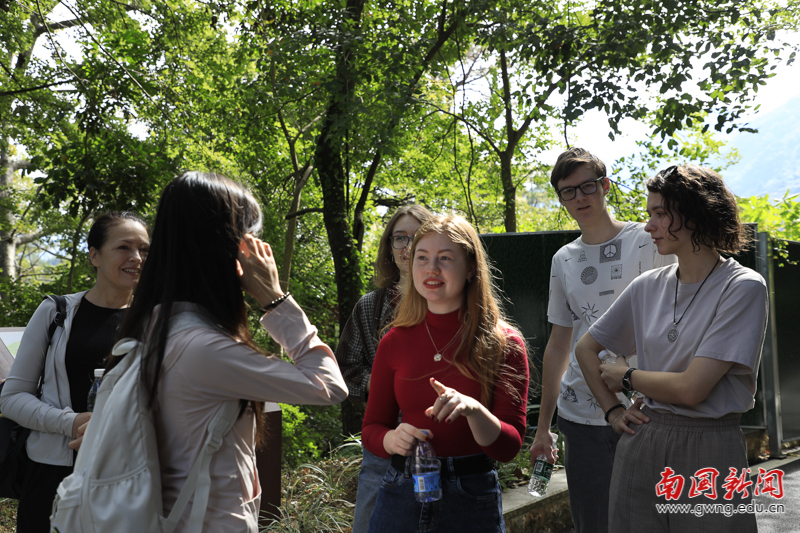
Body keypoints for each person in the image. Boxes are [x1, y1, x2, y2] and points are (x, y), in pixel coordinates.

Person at [109, 171, 348, 532]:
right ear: (223, 247)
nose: (254, 251)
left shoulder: (155, 325)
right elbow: (328, 386)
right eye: (246, 237)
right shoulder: (203, 348)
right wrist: (274, 298)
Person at [576, 165, 767, 532]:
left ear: (696, 214)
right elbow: (586, 349)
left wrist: (627, 376)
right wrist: (613, 412)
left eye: (660, 213)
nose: (649, 226)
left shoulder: (743, 287)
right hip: (642, 440)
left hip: (710, 448)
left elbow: (692, 389)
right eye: (649, 214)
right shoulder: (646, 286)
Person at [528, 147, 674, 533]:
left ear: (605, 186)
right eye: (568, 191)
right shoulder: (563, 260)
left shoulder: (649, 240)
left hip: (647, 409)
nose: (579, 197)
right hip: (581, 417)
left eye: (587, 186)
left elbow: (676, 322)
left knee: (653, 523)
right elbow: (559, 344)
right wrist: (543, 428)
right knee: (593, 524)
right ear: (561, 199)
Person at [362, 215, 529, 533]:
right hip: (401, 492)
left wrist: (474, 410)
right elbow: (371, 428)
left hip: (471, 496)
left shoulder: (504, 344)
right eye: (422, 258)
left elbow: (508, 449)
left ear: (471, 269)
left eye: (445, 258)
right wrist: (391, 439)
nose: (431, 269)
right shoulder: (393, 341)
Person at [0, 211, 150, 533]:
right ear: (94, 255)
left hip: (128, 475)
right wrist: (74, 423)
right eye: (124, 247)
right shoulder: (57, 312)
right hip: (51, 475)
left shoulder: (157, 322)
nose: (137, 258)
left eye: (144, 250)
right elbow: (11, 398)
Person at [337, 204, 434, 533]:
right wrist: (385, 388)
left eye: (416, 237)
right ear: (389, 248)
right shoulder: (370, 306)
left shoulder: (449, 303)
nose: (407, 246)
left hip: (440, 444)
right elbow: (345, 370)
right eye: (399, 238)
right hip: (384, 443)